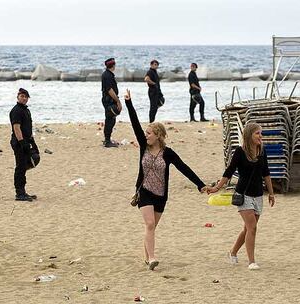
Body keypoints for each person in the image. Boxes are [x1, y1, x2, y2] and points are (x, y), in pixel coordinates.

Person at [124, 90, 207, 271]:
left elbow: (183, 167)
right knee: (150, 224)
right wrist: (129, 103)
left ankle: (147, 257)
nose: (146, 135)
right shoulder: (143, 146)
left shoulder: (168, 153)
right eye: (146, 133)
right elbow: (135, 124)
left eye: (150, 133)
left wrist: (200, 185)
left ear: (158, 135)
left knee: (151, 229)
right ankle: (153, 258)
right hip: (144, 191)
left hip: (161, 195)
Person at [207, 122, 275, 270]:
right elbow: (229, 171)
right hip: (243, 195)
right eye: (257, 133)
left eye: (260, 133)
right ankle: (251, 261)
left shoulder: (262, 151)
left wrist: (271, 193)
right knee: (252, 228)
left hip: (258, 195)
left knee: (247, 229)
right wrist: (217, 187)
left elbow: (266, 173)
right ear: (249, 135)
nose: (260, 136)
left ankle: (232, 252)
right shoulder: (240, 152)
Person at [9, 88, 39, 202]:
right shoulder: (16, 110)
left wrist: (32, 142)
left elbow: (28, 127)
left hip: (27, 140)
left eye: (26, 97)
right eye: (22, 96)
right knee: (20, 167)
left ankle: (23, 191)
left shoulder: (26, 110)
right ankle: (19, 193)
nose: (24, 98)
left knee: (30, 162)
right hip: (19, 142)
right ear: (18, 97)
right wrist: (22, 142)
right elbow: (16, 127)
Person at [101, 58, 122, 148]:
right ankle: (107, 141)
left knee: (111, 120)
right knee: (110, 120)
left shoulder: (108, 74)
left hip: (109, 100)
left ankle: (107, 139)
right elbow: (110, 90)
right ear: (113, 66)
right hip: (109, 100)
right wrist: (118, 101)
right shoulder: (107, 75)